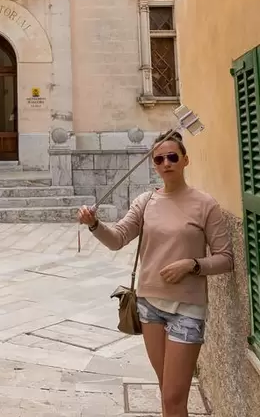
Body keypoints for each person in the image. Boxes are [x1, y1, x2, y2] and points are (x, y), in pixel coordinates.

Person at [77, 131, 233, 417]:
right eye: (159, 159)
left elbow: (226, 259)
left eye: (173, 156)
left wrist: (193, 265)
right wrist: (94, 224)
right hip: (150, 307)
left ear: (186, 160)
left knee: (174, 398)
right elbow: (117, 239)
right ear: (154, 164)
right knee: (167, 392)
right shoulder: (145, 202)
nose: (166, 163)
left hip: (187, 309)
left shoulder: (205, 204)